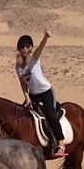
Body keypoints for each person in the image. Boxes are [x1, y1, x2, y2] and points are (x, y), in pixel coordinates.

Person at [15, 29, 66, 157]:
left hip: (46, 91)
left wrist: (45, 37)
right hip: (33, 94)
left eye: (27, 46)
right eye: (22, 46)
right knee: (23, 114)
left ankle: (60, 143)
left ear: (30, 48)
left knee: (50, 115)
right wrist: (27, 98)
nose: (25, 49)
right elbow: (22, 83)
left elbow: (41, 48)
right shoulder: (18, 66)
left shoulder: (34, 59)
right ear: (18, 49)